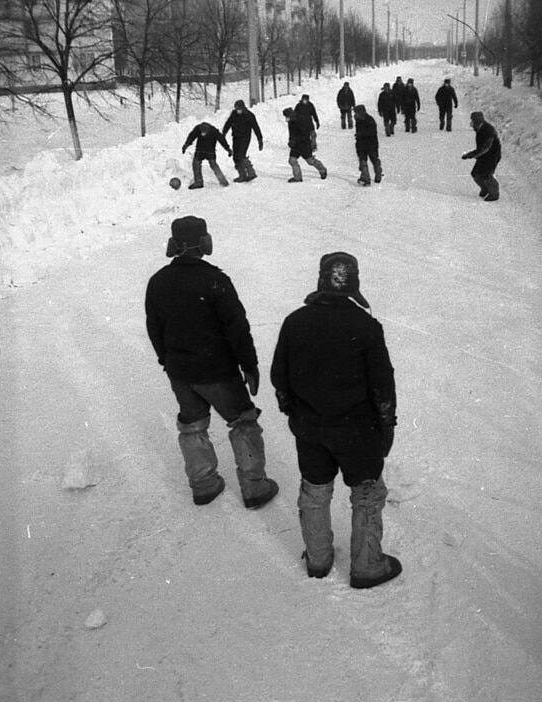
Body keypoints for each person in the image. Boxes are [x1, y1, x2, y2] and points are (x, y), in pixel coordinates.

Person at [270, 252, 401, 588]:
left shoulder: (295, 321)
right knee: (367, 494)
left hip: (310, 429)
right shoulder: (366, 327)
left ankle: (318, 558)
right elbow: (382, 386)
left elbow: (279, 376)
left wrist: (293, 412)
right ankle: (368, 565)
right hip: (357, 432)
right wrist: (386, 427)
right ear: (354, 283)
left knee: (315, 490)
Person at [145, 216, 279, 508]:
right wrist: (250, 365)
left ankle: (204, 484)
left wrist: (168, 362)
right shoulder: (215, 280)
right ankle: (254, 488)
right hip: (217, 370)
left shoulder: (158, 281)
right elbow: (237, 328)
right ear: (204, 243)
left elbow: (154, 328)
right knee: (243, 421)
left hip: (180, 372)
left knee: (192, 425)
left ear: (173, 245)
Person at [462, 111, 502, 202]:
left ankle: (494, 193)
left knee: (486, 175)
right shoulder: (480, 128)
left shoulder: (488, 130)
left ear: (477, 122)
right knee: (475, 173)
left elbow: (485, 147)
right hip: (484, 156)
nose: (471, 124)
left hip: (492, 156)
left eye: (472, 121)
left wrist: (471, 155)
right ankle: (485, 188)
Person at [222, 99, 263, 183]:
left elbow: (256, 127)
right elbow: (228, 123)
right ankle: (242, 175)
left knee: (241, 155)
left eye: (239, 109)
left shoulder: (249, 115)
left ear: (243, 108)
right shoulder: (234, 114)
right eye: (236, 109)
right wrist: (224, 133)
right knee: (235, 157)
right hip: (236, 137)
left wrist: (260, 139)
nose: (238, 111)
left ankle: (251, 173)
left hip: (245, 138)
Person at [283, 107, 327, 183]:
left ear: (290, 115)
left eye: (286, 117)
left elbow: (305, 134)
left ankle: (322, 169)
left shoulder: (299, 121)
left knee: (310, 161)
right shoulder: (291, 122)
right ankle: (297, 177)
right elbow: (292, 134)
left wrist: (295, 141)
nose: (285, 119)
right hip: (295, 146)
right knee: (292, 160)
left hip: (304, 145)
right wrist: (291, 141)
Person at [182, 122, 232, 189]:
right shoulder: (198, 128)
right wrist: (186, 145)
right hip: (200, 150)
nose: (202, 134)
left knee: (213, 165)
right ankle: (198, 182)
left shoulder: (214, 131)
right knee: (196, 164)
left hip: (210, 150)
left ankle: (223, 181)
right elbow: (191, 136)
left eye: (204, 133)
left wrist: (228, 149)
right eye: (201, 132)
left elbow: (222, 140)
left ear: (208, 131)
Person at [353, 104, 382, 186]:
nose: (355, 114)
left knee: (374, 159)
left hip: (371, 144)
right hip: (361, 144)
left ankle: (378, 173)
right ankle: (366, 177)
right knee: (362, 160)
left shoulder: (370, 120)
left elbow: (372, 132)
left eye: (356, 113)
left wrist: (361, 135)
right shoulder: (358, 120)